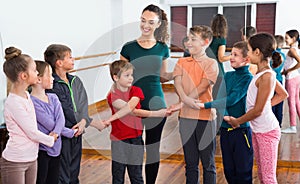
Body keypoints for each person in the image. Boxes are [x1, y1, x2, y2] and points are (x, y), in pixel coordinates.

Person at [224, 33, 288, 184]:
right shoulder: (259, 73)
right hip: (258, 130)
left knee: (268, 177)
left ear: (257, 52)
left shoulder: (267, 76)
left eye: (249, 50)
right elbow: (282, 94)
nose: (248, 53)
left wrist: (237, 121)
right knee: (261, 173)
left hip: (267, 132)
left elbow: (258, 110)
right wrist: (265, 106)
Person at [120, 4, 173, 184]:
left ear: (158, 24)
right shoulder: (128, 48)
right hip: (132, 104)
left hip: (156, 103)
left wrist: (181, 73)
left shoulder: (162, 48)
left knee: (152, 149)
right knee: (134, 148)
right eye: (143, 21)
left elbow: (163, 77)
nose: (146, 25)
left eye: (151, 22)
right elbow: (121, 78)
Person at [44, 44, 105, 184]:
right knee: (62, 172)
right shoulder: (52, 85)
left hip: (78, 132)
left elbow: (83, 104)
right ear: (59, 63)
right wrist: (80, 123)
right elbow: (64, 110)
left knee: (74, 169)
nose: (73, 59)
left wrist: (83, 122)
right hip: (64, 134)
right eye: (70, 57)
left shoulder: (75, 81)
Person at [104, 60, 171, 184]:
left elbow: (132, 106)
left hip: (136, 138)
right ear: (115, 77)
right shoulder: (112, 97)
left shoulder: (136, 91)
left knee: (136, 175)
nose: (131, 78)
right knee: (118, 175)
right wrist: (157, 113)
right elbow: (132, 111)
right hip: (119, 141)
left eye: (131, 75)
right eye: (127, 75)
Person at [0, 47, 57, 184]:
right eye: (34, 70)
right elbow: (31, 132)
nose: (37, 73)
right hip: (15, 161)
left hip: (32, 157)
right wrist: (51, 139)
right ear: (24, 76)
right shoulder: (13, 102)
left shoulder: (26, 95)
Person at [199, 41, 253, 183]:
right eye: (231, 54)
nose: (231, 57)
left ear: (246, 60)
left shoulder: (248, 78)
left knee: (242, 171)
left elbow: (232, 99)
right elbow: (220, 97)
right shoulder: (228, 75)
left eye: (236, 55)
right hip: (225, 129)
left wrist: (206, 105)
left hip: (240, 130)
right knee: (229, 170)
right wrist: (227, 116)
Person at [172, 25, 219, 184]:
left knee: (208, 164)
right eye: (188, 39)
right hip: (185, 118)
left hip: (205, 119)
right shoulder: (181, 61)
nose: (188, 43)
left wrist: (185, 100)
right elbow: (177, 82)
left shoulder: (211, 63)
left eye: (193, 39)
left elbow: (203, 86)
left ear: (206, 42)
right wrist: (185, 100)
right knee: (190, 164)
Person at [30, 60, 77, 184]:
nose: (53, 79)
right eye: (49, 75)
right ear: (38, 79)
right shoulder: (32, 102)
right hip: (42, 150)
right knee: (42, 180)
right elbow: (49, 123)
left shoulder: (53, 97)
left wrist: (57, 133)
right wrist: (69, 133)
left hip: (56, 147)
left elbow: (61, 119)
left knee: (54, 180)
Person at [206, 14, 230, 132]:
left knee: (208, 98)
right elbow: (221, 58)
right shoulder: (221, 39)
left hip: (206, 71)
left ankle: (208, 125)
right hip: (218, 73)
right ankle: (219, 128)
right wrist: (233, 56)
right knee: (219, 99)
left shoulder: (208, 38)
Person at [281, 29, 300, 134]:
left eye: (287, 38)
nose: (285, 40)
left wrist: (288, 71)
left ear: (293, 39)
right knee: (297, 101)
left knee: (291, 102)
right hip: (296, 77)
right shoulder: (294, 48)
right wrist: (286, 70)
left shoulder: (292, 50)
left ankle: (293, 126)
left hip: (291, 78)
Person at [270, 35, 286, 127]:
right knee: (279, 104)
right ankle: (278, 124)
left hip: (272, 81)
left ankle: (272, 124)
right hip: (280, 80)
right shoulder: (283, 55)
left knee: (271, 103)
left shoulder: (272, 55)